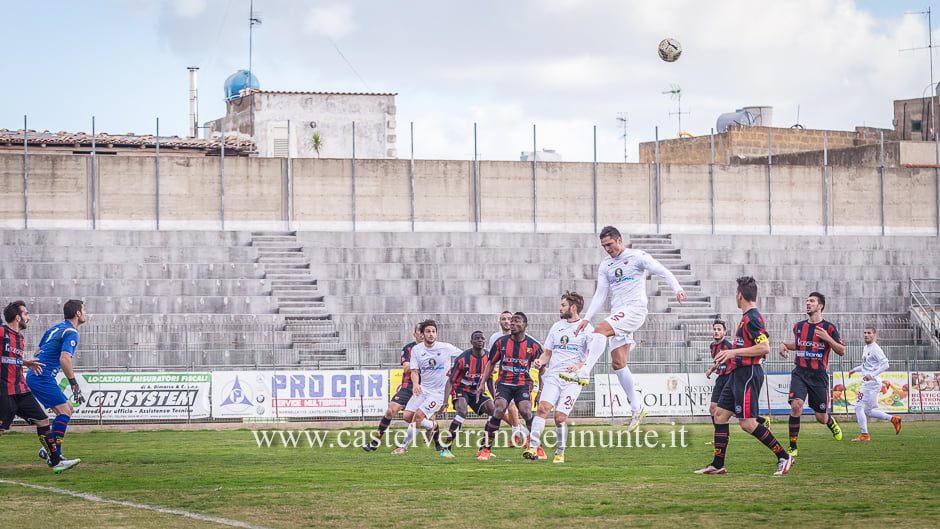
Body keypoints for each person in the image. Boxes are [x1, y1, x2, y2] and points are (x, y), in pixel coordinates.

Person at [567, 225, 686, 431]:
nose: (608, 249)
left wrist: (677, 288)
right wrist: (586, 318)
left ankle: (585, 371)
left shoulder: (637, 256)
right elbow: (601, 293)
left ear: (619, 240)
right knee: (618, 363)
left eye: (610, 244)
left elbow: (662, 270)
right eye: (604, 246)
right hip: (618, 313)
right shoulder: (605, 265)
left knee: (600, 330)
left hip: (635, 310)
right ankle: (637, 407)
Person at [696, 277, 793, 476]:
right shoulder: (746, 317)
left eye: (736, 292)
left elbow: (765, 347)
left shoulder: (752, 318)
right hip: (736, 374)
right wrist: (729, 356)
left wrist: (732, 353)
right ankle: (718, 464)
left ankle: (784, 456)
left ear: (740, 295)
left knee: (747, 423)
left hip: (748, 374)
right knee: (720, 415)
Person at [0, 301, 69, 473]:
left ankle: (55, 461)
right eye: (26, 314)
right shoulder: (2, 332)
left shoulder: (20, 338)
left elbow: (9, 357)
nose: (28, 318)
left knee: (43, 420)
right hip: (4, 391)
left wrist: (25, 362)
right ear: (18, 317)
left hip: (21, 390)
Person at [525, 291, 592, 464]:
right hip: (553, 376)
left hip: (573, 379)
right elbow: (547, 353)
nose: (560, 308)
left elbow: (591, 355)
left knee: (559, 417)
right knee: (542, 409)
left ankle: (560, 451)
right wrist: (540, 362)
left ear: (573, 307)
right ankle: (532, 447)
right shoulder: (557, 327)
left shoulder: (587, 329)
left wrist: (579, 366)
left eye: (563, 305)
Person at [777, 292, 845, 456]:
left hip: (818, 376)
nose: (808, 303)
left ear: (820, 306)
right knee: (796, 405)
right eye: (807, 301)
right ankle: (793, 447)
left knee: (820, 417)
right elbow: (799, 345)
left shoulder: (829, 328)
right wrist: (784, 344)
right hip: (800, 372)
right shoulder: (799, 326)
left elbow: (841, 350)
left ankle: (830, 422)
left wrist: (828, 338)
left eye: (812, 301)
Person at [25, 299, 87, 473]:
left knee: (68, 409)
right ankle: (56, 458)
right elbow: (64, 359)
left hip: (39, 375)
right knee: (64, 411)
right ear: (78, 313)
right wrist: (73, 384)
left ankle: (48, 449)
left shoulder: (55, 328)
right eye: (84, 310)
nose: (85, 313)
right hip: (41, 377)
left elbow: (37, 352)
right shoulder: (72, 332)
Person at [475, 312, 542, 461]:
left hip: (522, 384)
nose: (512, 323)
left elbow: (542, 367)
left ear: (525, 325)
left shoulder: (533, 345)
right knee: (499, 409)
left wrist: (541, 390)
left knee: (526, 411)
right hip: (504, 383)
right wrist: (482, 384)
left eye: (516, 321)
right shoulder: (501, 342)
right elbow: (490, 363)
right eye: (512, 321)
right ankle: (486, 449)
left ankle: (537, 447)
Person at [392, 320, 461, 457]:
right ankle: (432, 426)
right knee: (407, 416)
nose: (431, 334)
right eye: (428, 331)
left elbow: (464, 357)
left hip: (438, 392)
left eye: (433, 331)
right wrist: (416, 384)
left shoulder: (445, 347)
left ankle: (403, 448)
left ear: (436, 333)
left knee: (418, 416)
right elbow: (414, 371)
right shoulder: (417, 350)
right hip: (424, 389)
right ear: (423, 334)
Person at [363, 324, 421, 452]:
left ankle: (439, 444)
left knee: (424, 417)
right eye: (420, 331)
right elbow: (406, 368)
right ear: (414, 333)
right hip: (407, 386)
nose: (422, 334)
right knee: (390, 410)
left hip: (424, 388)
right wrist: (421, 363)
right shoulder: (408, 349)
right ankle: (375, 442)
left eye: (425, 331)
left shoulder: (433, 349)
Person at [442, 331, 496, 456]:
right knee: (462, 411)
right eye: (476, 338)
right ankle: (446, 448)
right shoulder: (462, 358)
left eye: (482, 338)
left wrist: (495, 398)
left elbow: (489, 380)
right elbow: (450, 381)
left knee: (494, 412)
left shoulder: (489, 358)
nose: (480, 340)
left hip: (477, 391)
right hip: (461, 390)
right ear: (471, 342)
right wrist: (445, 401)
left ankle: (484, 448)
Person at [850, 327, 902, 441]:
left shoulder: (876, 349)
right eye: (864, 333)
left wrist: (871, 375)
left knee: (859, 407)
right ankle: (893, 419)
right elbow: (866, 365)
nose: (866, 335)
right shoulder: (866, 347)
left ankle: (864, 435)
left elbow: (886, 364)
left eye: (869, 333)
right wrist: (854, 369)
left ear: (874, 335)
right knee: (867, 411)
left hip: (871, 384)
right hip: (869, 383)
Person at [486, 310, 527, 446]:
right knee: (497, 408)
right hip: (500, 376)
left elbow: (538, 351)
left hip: (518, 378)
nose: (506, 321)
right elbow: (490, 358)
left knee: (511, 405)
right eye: (503, 319)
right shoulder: (495, 338)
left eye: (509, 319)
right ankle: (522, 432)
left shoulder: (522, 336)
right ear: (500, 321)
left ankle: (517, 434)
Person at [704, 319, 734, 419]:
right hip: (721, 378)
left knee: (734, 411)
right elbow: (718, 362)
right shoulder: (712, 346)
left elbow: (736, 360)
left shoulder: (729, 346)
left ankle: (760, 420)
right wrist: (711, 370)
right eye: (714, 329)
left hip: (730, 378)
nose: (716, 331)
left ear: (724, 332)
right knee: (713, 408)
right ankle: (719, 434)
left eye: (719, 329)